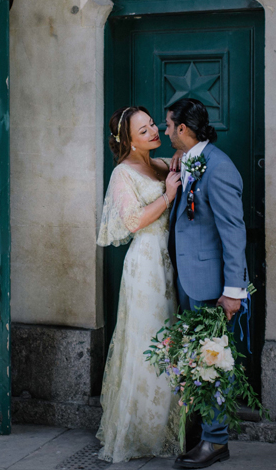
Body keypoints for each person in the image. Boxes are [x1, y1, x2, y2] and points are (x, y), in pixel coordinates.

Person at [163, 98, 248, 469]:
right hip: (190, 279)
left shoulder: (220, 168)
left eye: (168, 125)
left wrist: (233, 292)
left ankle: (215, 442)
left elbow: (233, 232)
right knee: (197, 360)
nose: (165, 131)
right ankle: (204, 429)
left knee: (213, 361)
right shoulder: (191, 160)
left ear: (183, 129)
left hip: (212, 286)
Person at [95, 105, 183, 462]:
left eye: (152, 126)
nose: (152, 133)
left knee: (168, 336)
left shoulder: (157, 164)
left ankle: (164, 424)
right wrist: (167, 197)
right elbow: (132, 222)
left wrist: (178, 157)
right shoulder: (122, 174)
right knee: (146, 340)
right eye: (143, 131)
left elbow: (176, 162)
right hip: (145, 262)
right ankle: (137, 431)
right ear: (127, 140)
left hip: (168, 261)